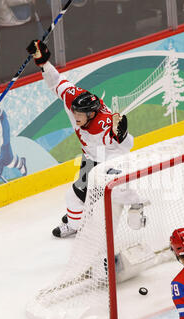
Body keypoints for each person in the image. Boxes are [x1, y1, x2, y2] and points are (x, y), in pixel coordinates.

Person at [26, 40, 142, 238]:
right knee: (80, 194)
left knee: (106, 193)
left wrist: (121, 136)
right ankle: (77, 217)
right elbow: (56, 82)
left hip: (110, 160)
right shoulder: (74, 99)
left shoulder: (104, 125)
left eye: (80, 114)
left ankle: (133, 207)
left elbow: (126, 145)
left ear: (91, 114)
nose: (75, 116)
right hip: (90, 156)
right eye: (75, 112)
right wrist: (44, 62)